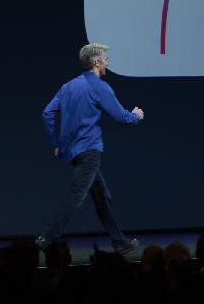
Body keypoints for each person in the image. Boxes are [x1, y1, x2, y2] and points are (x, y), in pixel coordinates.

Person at [36, 43, 144, 254]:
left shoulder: (68, 87)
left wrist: (57, 144)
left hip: (75, 153)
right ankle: (46, 237)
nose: (107, 62)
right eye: (105, 59)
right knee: (76, 195)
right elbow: (121, 117)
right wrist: (136, 116)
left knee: (102, 198)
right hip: (89, 152)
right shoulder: (99, 87)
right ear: (96, 62)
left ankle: (119, 242)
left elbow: (47, 114)